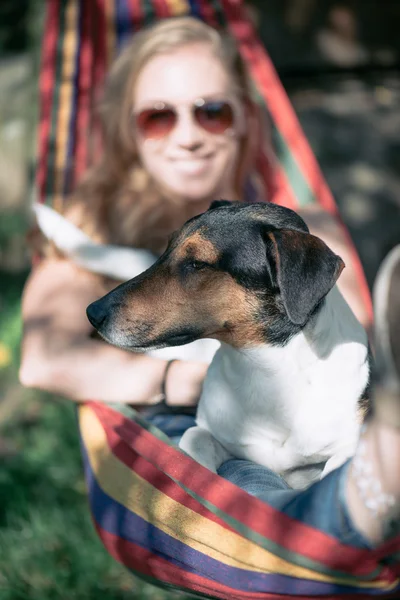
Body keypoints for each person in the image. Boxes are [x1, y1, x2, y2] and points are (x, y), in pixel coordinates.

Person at [19, 16, 399, 549]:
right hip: (205, 425)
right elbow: (41, 361)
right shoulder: (86, 235)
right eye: (157, 117)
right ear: (127, 129)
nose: (189, 136)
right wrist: (176, 381)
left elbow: (353, 355)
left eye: (212, 111)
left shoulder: (306, 230)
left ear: (246, 118)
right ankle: (313, 532)